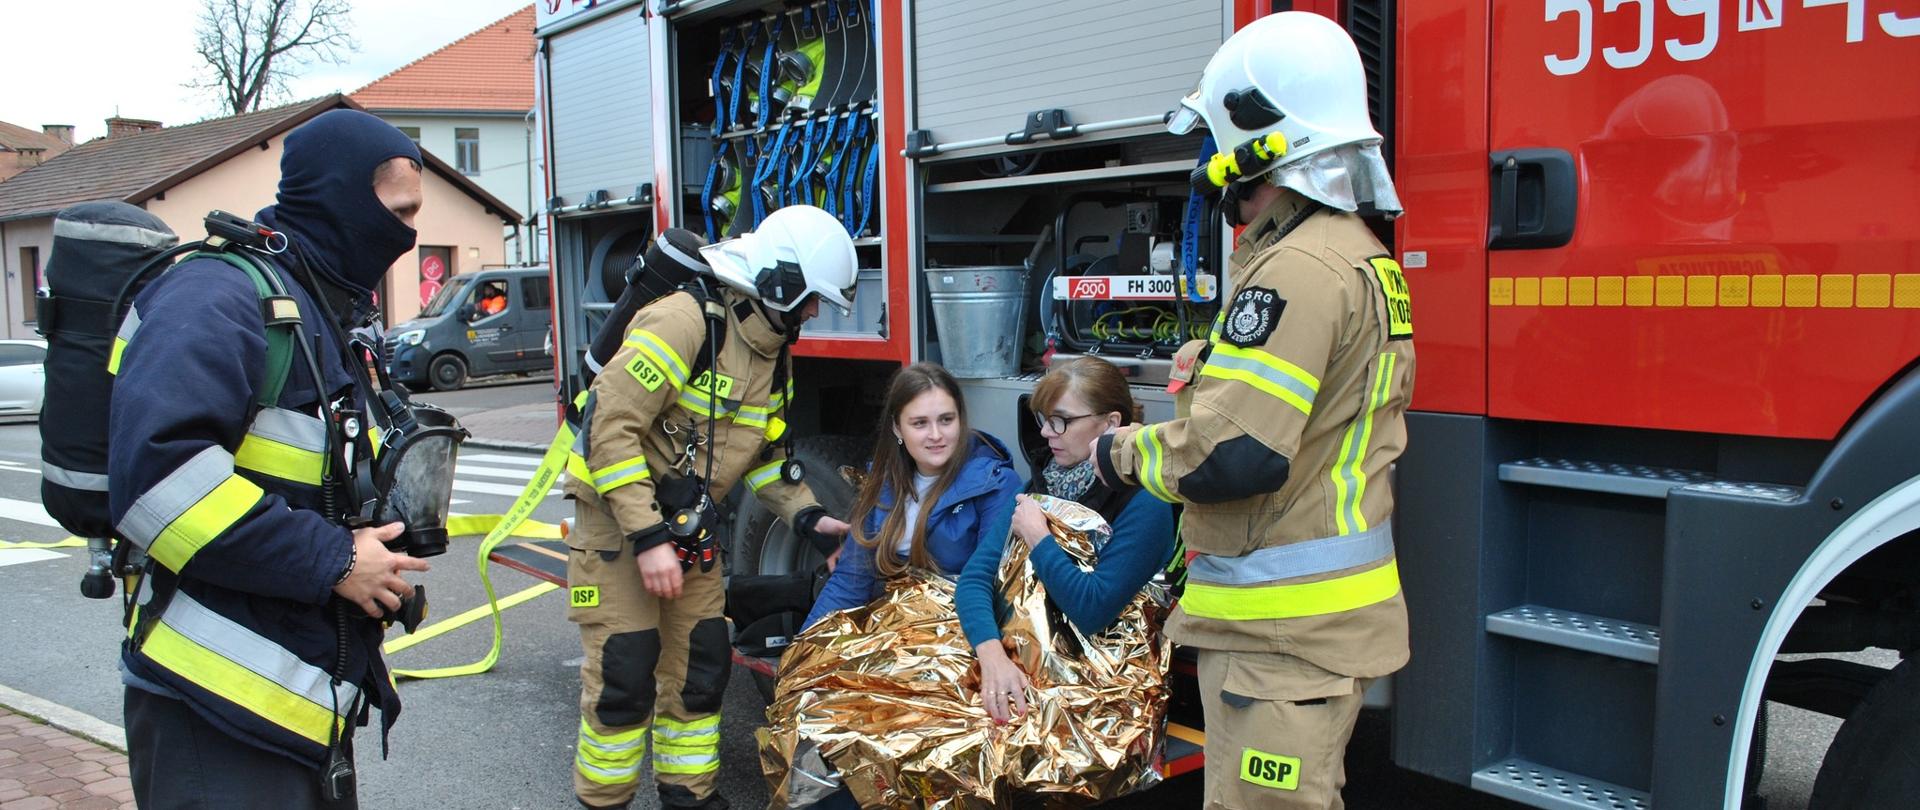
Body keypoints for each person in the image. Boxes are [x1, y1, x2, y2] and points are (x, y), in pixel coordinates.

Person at [1091, 12, 1415, 808]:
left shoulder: (1296, 268)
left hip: (1282, 641)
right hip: (1309, 634)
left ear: (1260, 141)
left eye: (1215, 142)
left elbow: (1235, 455)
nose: (1209, 167)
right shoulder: (1354, 252)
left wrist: (1120, 452)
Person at [109, 109, 432, 809]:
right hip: (212, 715)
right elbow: (157, 485)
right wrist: (336, 561)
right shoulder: (216, 296)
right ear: (341, 198)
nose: (408, 234)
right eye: (398, 211)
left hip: (291, 712)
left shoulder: (320, 309)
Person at [564, 204, 857, 810]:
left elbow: (766, 456)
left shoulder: (773, 351)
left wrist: (809, 516)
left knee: (699, 670)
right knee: (625, 674)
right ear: (779, 283)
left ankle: (690, 798)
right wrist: (646, 539)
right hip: (619, 530)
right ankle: (603, 801)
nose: (812, 314)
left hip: (688, 530)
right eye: (809, 300)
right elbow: (608, 430)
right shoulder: (682, 322)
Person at [954, 357, 1176, 723]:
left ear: (1110, 424)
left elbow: (1092, 610)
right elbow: (975, 577)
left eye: (1062, 421)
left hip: (1100, 690)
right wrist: (990, 655)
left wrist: (1039, 538)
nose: (1045, 433)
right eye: (1044, 419)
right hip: (1019, 664)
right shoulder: (1045, 484)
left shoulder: (1144, 502)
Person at [801, 362, 1021, 631]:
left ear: (961, 420)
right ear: (897, 428)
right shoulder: (882, 484)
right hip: (895, 633)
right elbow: (849, 583)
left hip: (967, 635)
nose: (936, 435)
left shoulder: (996, 484)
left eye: (946, 420)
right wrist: (800, 652)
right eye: (920, 423)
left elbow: (995, 588)